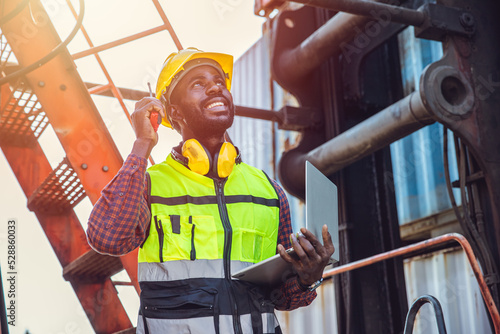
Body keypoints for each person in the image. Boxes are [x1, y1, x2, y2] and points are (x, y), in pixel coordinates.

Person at [87, 47, 334, 334]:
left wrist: (308, 277)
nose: (216, 88)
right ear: (174, 112)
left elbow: (281, 297)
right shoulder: (151, 184)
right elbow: (108, 238)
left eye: (219, 82)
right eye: (198, 84)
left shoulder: (268, 190)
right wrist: (142, 144)